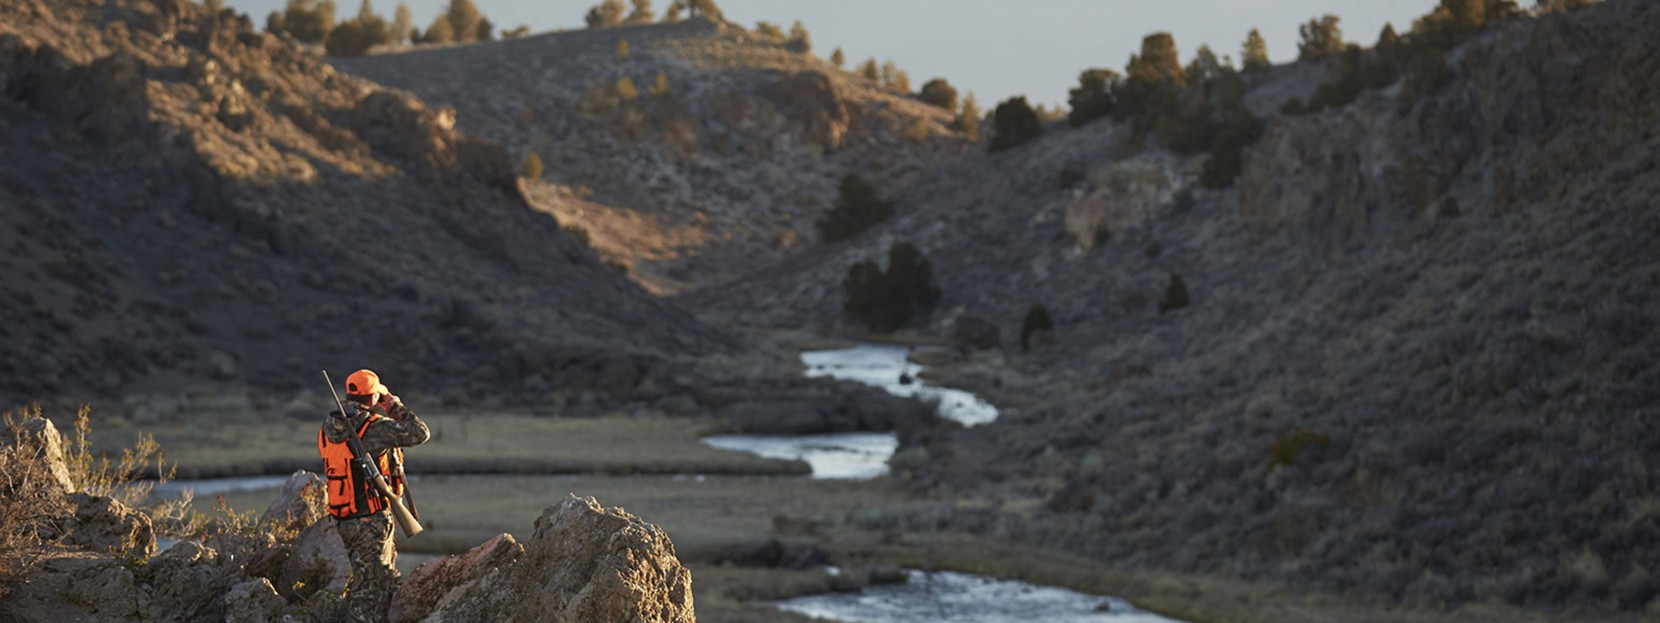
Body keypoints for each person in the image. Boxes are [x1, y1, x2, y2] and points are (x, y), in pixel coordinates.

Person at [318, 369, 429, 623]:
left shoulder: (328, 427)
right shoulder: (373, 428)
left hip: (345, 518)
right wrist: (392, 403)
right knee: (371, 595)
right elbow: (420, 432)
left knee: (376, 585)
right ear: (373, 396)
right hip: (370, 522)